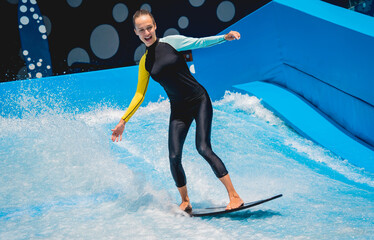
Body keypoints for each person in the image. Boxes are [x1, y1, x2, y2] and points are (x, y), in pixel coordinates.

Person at [111, 9, 243, 212]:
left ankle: (234, 196)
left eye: (149, 27)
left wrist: (224, 38)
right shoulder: (145, 63)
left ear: (155, 26)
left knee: (203, 148)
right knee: (174, 157)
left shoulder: (171, 42)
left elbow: (199, 42)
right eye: (141, 30)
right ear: (136, 33)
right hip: (178, 110)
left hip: (199, 100)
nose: (146, 32)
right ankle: (185, 201)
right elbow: (139, 95)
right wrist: (123, 121)